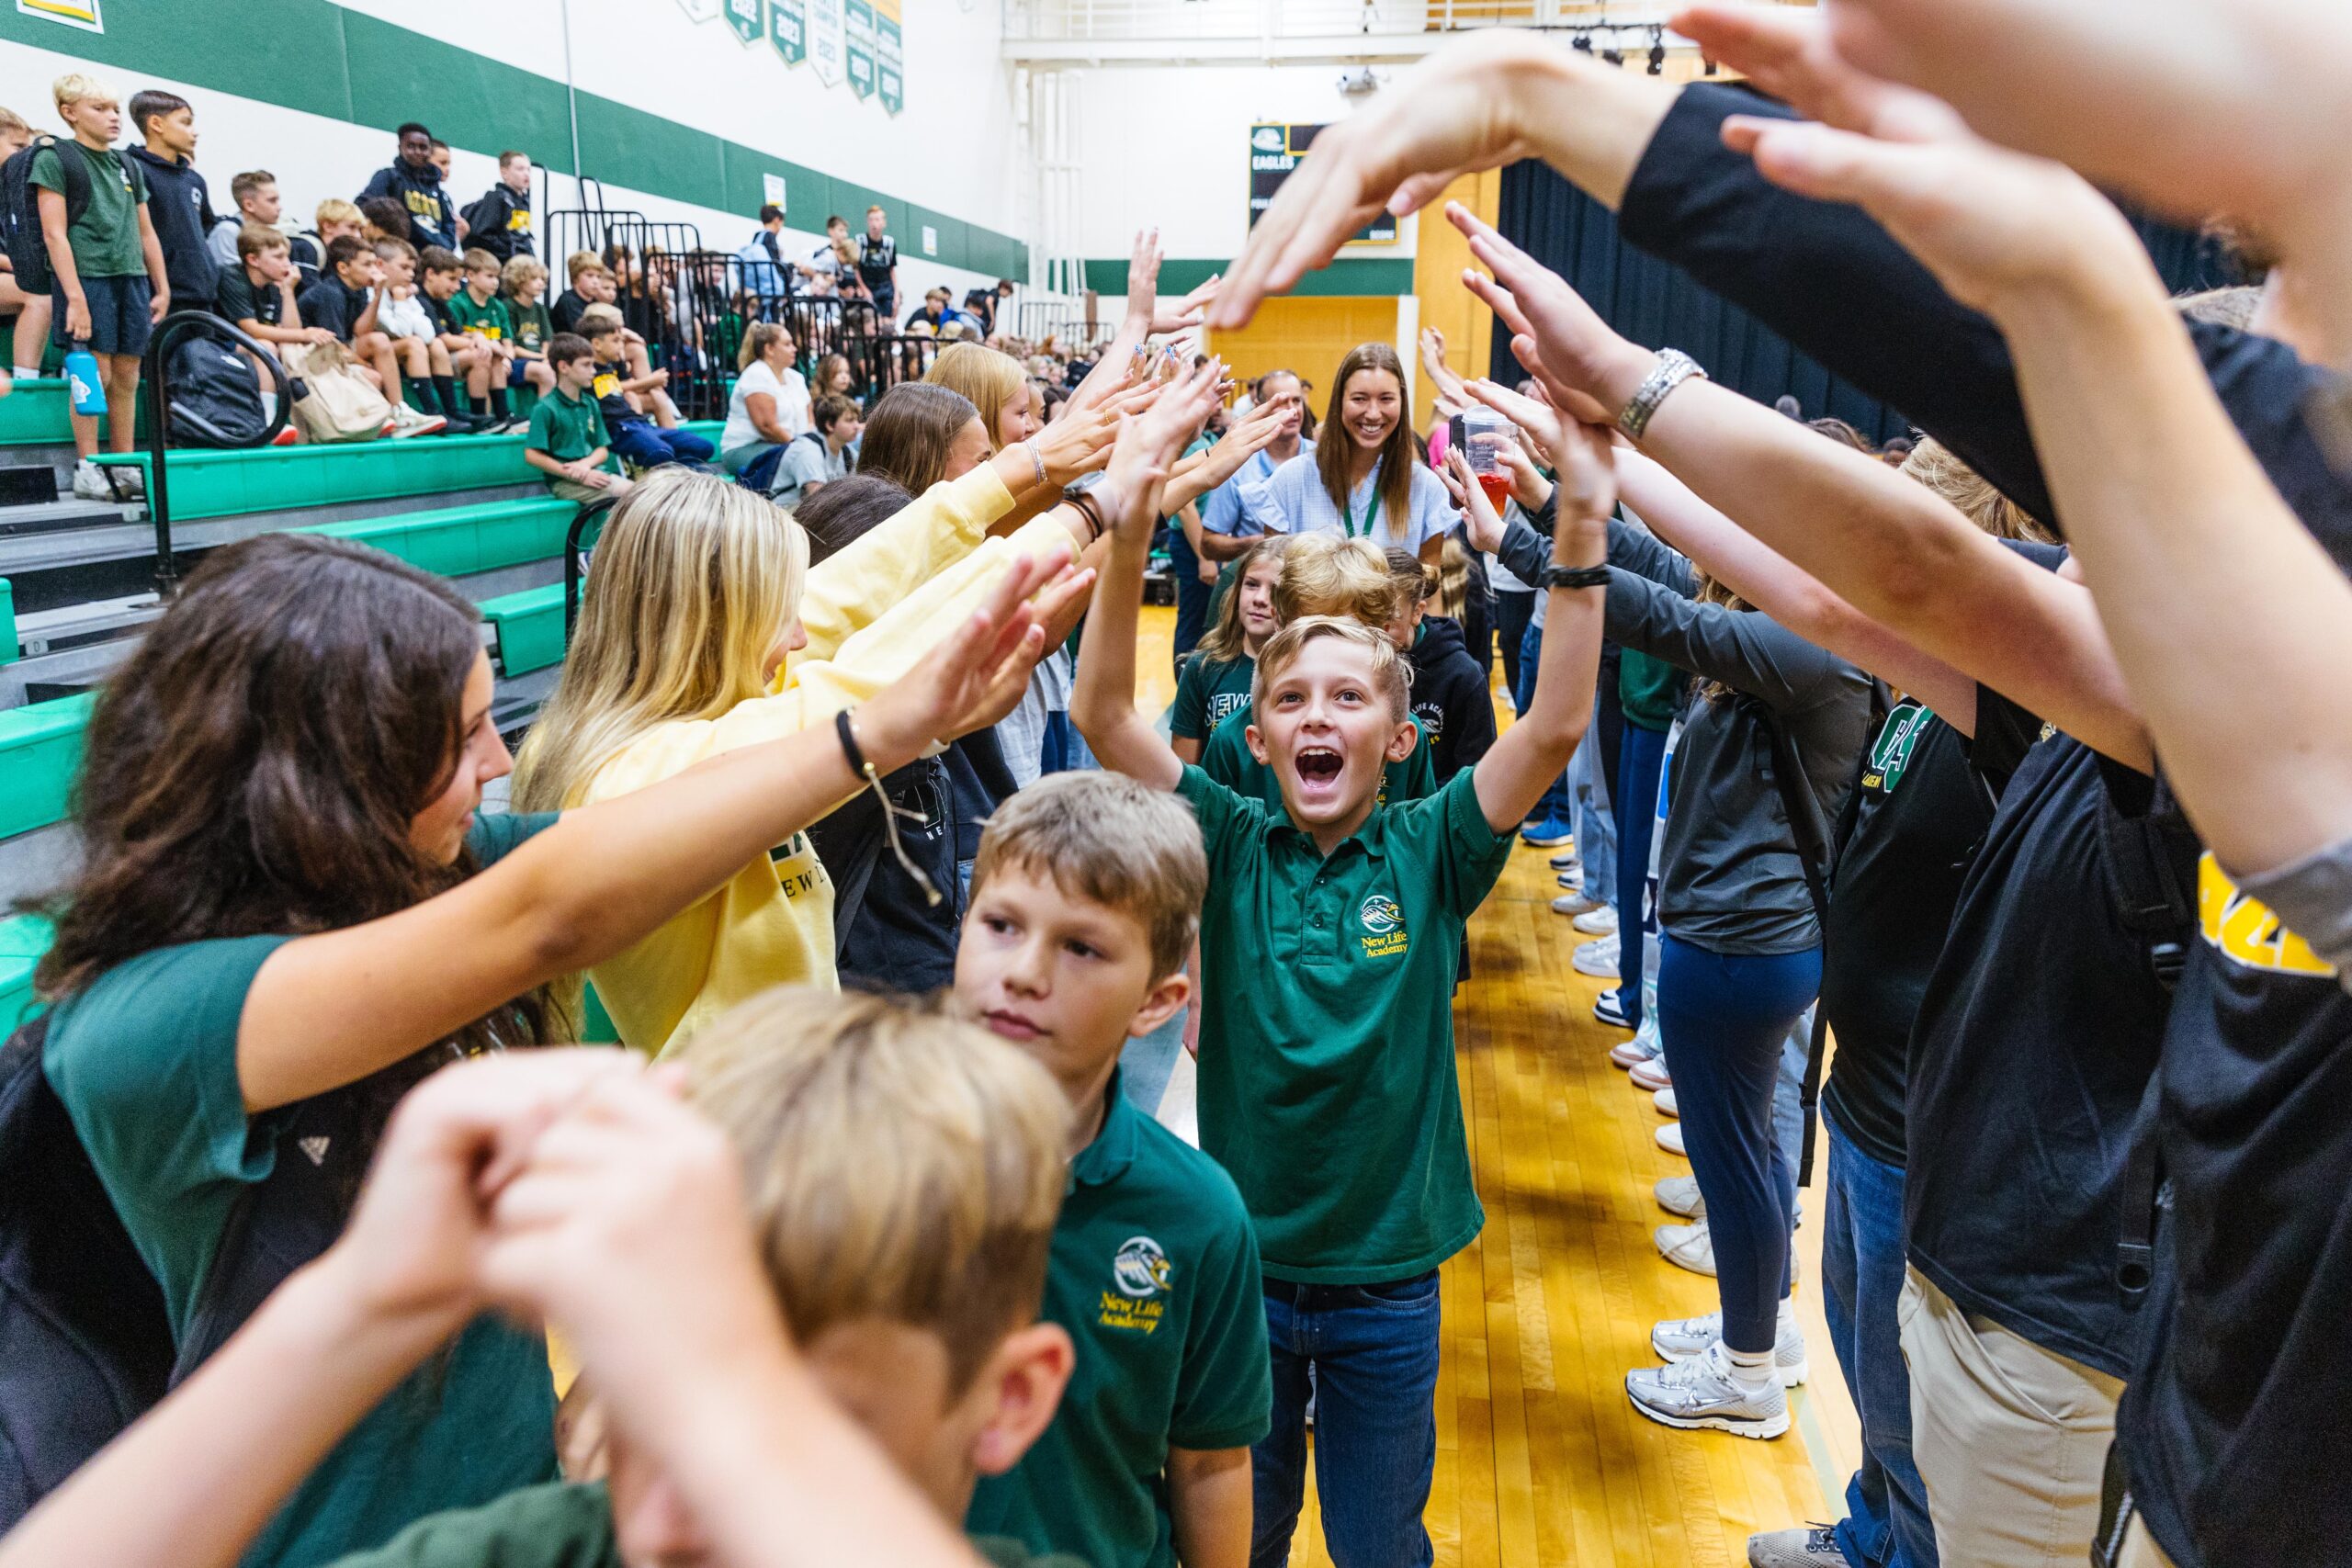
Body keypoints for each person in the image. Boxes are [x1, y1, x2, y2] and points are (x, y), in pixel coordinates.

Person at [19, 524, 1054, 1568]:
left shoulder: (401, 886)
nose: (501, 760)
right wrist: (867, 732)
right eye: (465, 735)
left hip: (495, 1509)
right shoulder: (155, 1020)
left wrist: (891, 723)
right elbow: (551, 915)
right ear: (335, 767)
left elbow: (636, 837)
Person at [1074, 356, 1611, 1568]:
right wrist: (1130, 516)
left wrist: (1578, 516)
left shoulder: (1432, 848)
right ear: (1256, 735)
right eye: (1295, 700)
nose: (1320, 716)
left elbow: (1559, 722)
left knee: (1381, 1542)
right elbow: (1109, 711)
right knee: (1232, 1539)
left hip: (1386, 1288)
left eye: (1349, 698)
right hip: (1240, 1276)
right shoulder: (1223, 832)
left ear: (1401, 730)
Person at [0, 991, 1094, 1568]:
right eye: (646, 1408)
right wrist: (362, 1306)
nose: (665, 1523)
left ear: (1008, 1397)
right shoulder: (554, 1551)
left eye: (776, 1425)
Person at [507, 424, 1111, 1056]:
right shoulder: (655, 767)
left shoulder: (657, 724)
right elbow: (869, 667)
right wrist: (1093, 509)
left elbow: (844, 594)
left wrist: (1023, 469)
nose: (800, 638)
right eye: (779, 615)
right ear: (714, 628)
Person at [957, 774, 1271, 1568]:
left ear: (1158, 1001)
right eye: (999, 924)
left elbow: (1210, 1461)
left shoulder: (1198, 1215)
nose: (1024, 971)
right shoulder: (856, 1156)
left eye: (1081, 946)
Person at [1196, 536, 1438, 813]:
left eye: (1349, 632)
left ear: (1382, 634)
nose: (1328, 651)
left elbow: (1419, 836)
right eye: (1312, 633)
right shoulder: (1233, 738)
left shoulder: (1404, 733)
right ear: (1279, 624)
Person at [35, 73, 168, 502]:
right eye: (99, 109)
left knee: (128, 375)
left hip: (130, 279)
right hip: (85, 278)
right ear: (69, 112)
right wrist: (74, 296)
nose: (113, 117)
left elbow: (147, 232)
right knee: (95, 372)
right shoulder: (56, 159)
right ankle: (90, 467)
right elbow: (55, 235)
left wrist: (161, 286)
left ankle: (123, 464)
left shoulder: (128, 165)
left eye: (115, 109)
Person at [1263, 344, 1456, 567]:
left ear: (1402, 402)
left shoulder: (1425, 487)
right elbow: (1273, 584)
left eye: (1386, 399)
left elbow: (1429, 595)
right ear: (1339, 401)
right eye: (1359, 399)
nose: (1373, 413)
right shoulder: (1291, 480)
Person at [1170, 536, 1285, 767]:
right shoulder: (1203, 667)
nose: (1260, 599)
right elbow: (1184, 775)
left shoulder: (1301, 673)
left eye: (1275, 589)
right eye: (1251, 584)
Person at [1386, 547, 1498, 783]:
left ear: (1417, 612)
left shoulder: (1462, 675)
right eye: (1366, 613)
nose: (1375, 626)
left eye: (1390, 616)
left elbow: (1476, 773)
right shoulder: (1354, 663)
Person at [123, 88, 218, 313]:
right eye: (185, 123)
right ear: (157, 124)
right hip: (156, 298)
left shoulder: (194, 180)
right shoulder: (133, 170)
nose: (194, 132)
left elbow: (205, 228)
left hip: (200, 296)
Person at [370, 236, 471, 431]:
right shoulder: (375, 291)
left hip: (394, 348)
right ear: (381, 265)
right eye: (404, 267)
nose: (410, 274)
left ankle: (449, 410)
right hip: (374, 349)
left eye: (412, 269)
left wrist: (405, 300)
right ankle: (430, 411)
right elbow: (401, 331)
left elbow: (428, 334)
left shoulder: (405, 292)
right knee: (414, 344)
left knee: (436, 344)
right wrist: (401, 300)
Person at [524, 333, 629, 502]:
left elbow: (602, 449)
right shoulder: (545, 408)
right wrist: (576, 474)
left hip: (595, 473)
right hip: (564, 481)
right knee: (628, 495)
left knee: (638, 492)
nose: (593, 371)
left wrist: (584, 465)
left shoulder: (590, 403)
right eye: (586, 365)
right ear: (564, 367)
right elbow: (532, 455)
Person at [720, 320, 812, 486]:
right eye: (787, 344)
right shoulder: (756, 374)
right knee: (802, 459)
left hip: (789, 445)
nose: (794, 348)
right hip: (745, 448)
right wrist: (801, 447)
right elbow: (767, 427)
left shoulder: (796, 378)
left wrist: (813, 444)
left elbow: (810, 419)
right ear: (769, 349)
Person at [443, 246, 526, 429]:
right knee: (484, 354)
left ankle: (503, 415)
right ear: (471, 276)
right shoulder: (458, 303)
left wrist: (508, 359)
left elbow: (507, 342)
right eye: (489, 276)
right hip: (460, 358)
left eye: (497, 277)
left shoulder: (497, 305)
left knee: (494, 356)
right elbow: (454, 339)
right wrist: (486, 344)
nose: (495, 282)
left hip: (490, 357)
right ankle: (480, 416)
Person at [358, 122, 456, 252]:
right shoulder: (388, 176)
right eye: (410, 146)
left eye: (423, 147)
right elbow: (363, 206)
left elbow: (450, 229)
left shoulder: (441, 194)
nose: (417, 152)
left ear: (429, 151)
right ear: (400, 148)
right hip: (398, 253)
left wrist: (443, 247)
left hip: (434, 258)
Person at [772, 393, 861, 509]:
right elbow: (821, 503)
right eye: (849, 420)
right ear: (829, 425)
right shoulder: (808, 451)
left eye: (857, 420)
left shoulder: (846, 451)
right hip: (784, 515)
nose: (857, 426)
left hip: (808, 514)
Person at [459, 151, 533, 262]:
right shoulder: (497, 198)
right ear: (504, 173)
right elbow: (484, 235)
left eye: (528, 169)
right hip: (503, 264)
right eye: (520, 169)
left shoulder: (523, 203)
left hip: (520, 264)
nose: (526, 173)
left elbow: (521, 235)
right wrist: (508, 253)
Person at [500, 253, 554, 397]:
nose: (541, 283)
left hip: (538, 358)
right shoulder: (508, 306)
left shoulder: (539, 308)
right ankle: (544, 417)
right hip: (517, 362)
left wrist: (546, 356)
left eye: (542, 279)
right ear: (518, 280)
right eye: (534, 278)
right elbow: (514, 347)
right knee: (545, 371)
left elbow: (547, 340)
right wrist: (541, 358)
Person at [290, 197, 363, 288]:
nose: (358, 235)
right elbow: (310, 297)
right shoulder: (306, 248)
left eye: (359, 229)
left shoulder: (334, 254)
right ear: (328, 226)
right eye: (351, 227)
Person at [737, 202, 793, 305]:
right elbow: (775, 265)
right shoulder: (769, 237)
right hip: (767, 290)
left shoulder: (757, 236)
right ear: (777, 220)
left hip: (755, 287)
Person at [857, 204, 899, 326]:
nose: (874, 223)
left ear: (883, 222)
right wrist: (863, 288)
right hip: (868, 287)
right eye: (871, 220)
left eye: (877, 219)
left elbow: (892, 270)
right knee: (871, 323)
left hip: (885, 288)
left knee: (887, 324)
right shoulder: (861, 241)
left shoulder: (889, 243)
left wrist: (896, 294)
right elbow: (856, 268)